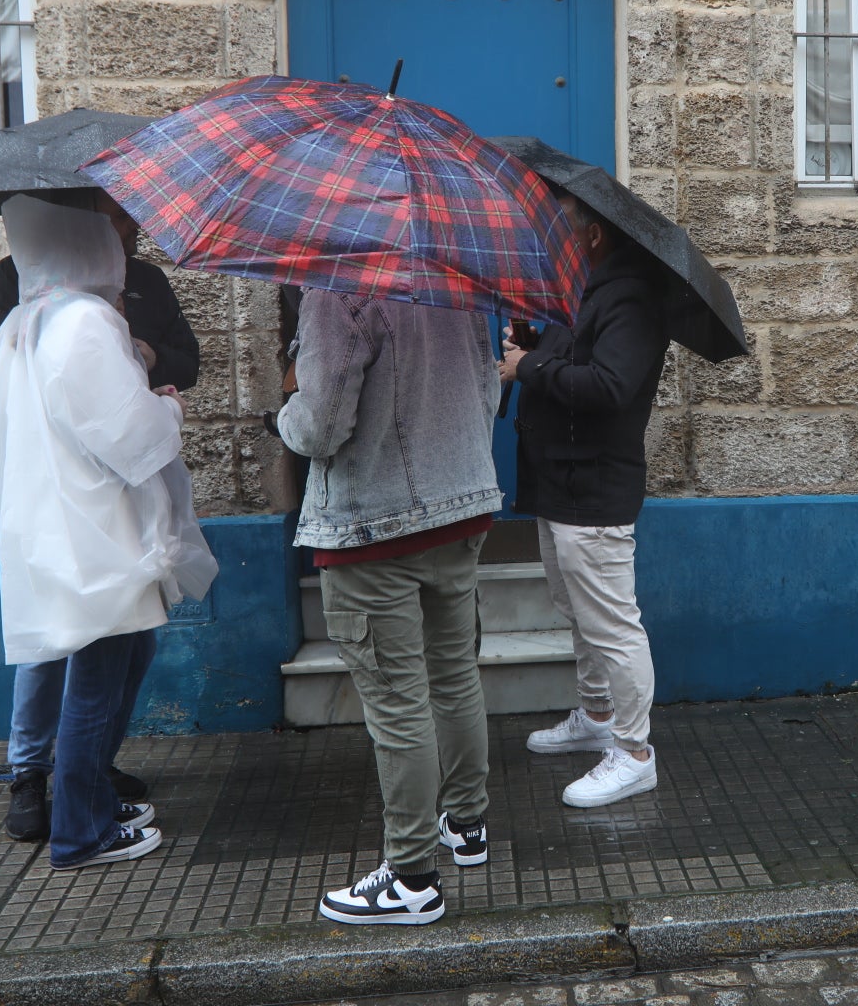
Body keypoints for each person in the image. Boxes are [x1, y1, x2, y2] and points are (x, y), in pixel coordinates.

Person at [0, 194, 216, 869]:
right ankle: (82, 830)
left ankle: (92, 803)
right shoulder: (84, 321)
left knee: (114, 663)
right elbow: (129, 438)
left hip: (56, 523)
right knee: (100, 674)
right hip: (97, 530)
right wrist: (168, 412)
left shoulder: (28, 318)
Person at [278, 289, 500, 926]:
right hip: (461, 504)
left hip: (372, 524)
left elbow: (320, 425)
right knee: (455, 677)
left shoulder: (339, 285)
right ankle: (467, 826)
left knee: (398, 700)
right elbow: (489, 393)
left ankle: (411, 878)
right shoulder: (454, 276)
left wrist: (283, 416)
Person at [500, 193, 670, 809]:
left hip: (595, 488)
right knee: (575, 608)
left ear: (593, 235)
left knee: (613, 624)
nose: (552, 243)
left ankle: (633, 753)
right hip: (560, 484)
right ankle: (597, 714)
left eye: (562, 231)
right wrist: (531, 346)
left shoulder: (630, 298)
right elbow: (568, 360)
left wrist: (528, 368)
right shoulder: (586, 290)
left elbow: (611, 386)